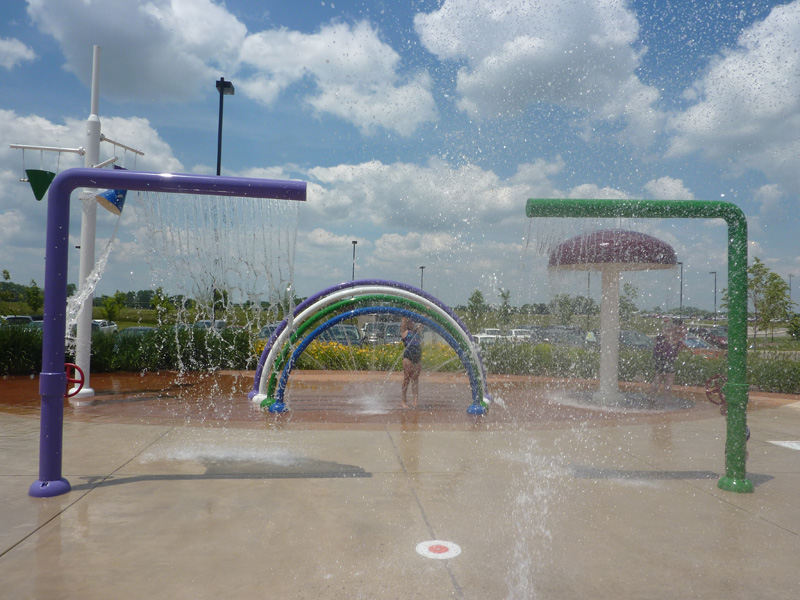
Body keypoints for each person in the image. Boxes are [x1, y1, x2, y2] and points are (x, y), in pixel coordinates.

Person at [651, 319, 685, 396]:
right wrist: (676, 341)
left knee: (659, 377)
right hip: (665, 357)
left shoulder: (668, 331)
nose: (682, 329)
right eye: (681, 326)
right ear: (677, 326)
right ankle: (665, 399)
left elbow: (656, 342)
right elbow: (670, 342)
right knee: (668, 377)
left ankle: (652, 397)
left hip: (661, 357)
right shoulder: (669, 332)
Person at [401, 317, 422, 409]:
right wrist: (407, 307)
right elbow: (404, 319)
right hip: (408, 357)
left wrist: (426, 312)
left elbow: (422, 322)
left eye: (412, 321)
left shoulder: (417, 331)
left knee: (415, 379)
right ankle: (403, 400)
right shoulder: (404, 332)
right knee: (406, 378)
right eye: (410, 322)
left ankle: (415, 400)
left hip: (417, 357)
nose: (412, 323)